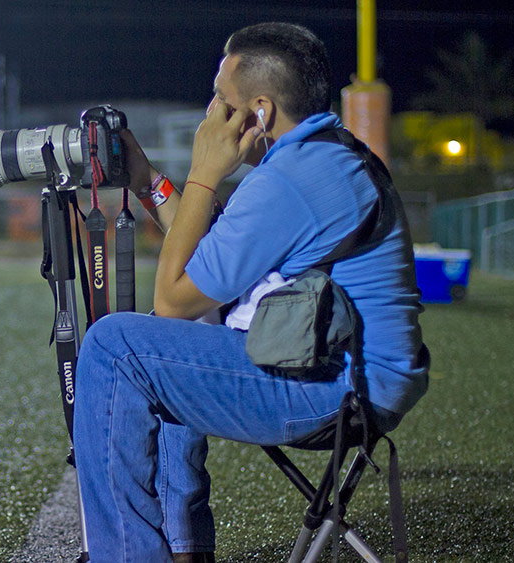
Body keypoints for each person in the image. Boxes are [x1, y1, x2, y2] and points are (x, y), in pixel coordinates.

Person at [72, 22, 429, 562]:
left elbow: (173, 294)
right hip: (352, 375)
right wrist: (147, 180)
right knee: (176, 335)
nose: (210, 115)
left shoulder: (292, 181)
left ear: (258, 112)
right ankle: (185, 550)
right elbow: (208, 256)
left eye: (220, 100)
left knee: (115, 348)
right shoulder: (318, 157)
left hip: (339, 389)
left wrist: (203, 172)